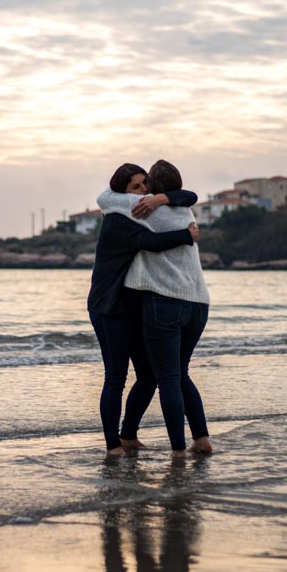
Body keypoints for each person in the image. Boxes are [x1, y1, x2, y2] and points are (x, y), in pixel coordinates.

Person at [97, 160, 212, 458]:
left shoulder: (149, 209)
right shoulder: (125, 215)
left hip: (146, 303)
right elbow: (150, 240)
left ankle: (132, 436)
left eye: (145, 183)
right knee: (118, 376)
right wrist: (187, 234)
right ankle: (114, 445)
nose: (143, 190)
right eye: (136, 187)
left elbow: (187, 195)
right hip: (111, 304)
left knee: (154, 376)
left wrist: (162, 198)